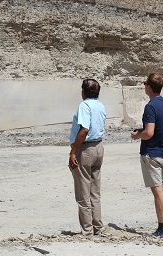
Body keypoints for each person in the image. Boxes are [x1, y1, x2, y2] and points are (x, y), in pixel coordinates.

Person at [131, 73, 163, 238]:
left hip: (152, 153)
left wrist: (137, 135)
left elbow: (149, 133)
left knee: (157, 192)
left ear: (149, 87)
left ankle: (162, 228)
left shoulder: (151, 106)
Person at [68, 78, 106, 236]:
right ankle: (98, 227)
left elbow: (84, 130)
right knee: (94, 191)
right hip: (98, 147)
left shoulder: (84, 106)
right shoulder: (100, 105)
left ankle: (87, 230)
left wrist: (72, 151)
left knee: (83, 191)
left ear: (84, 92)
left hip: (86, 149)